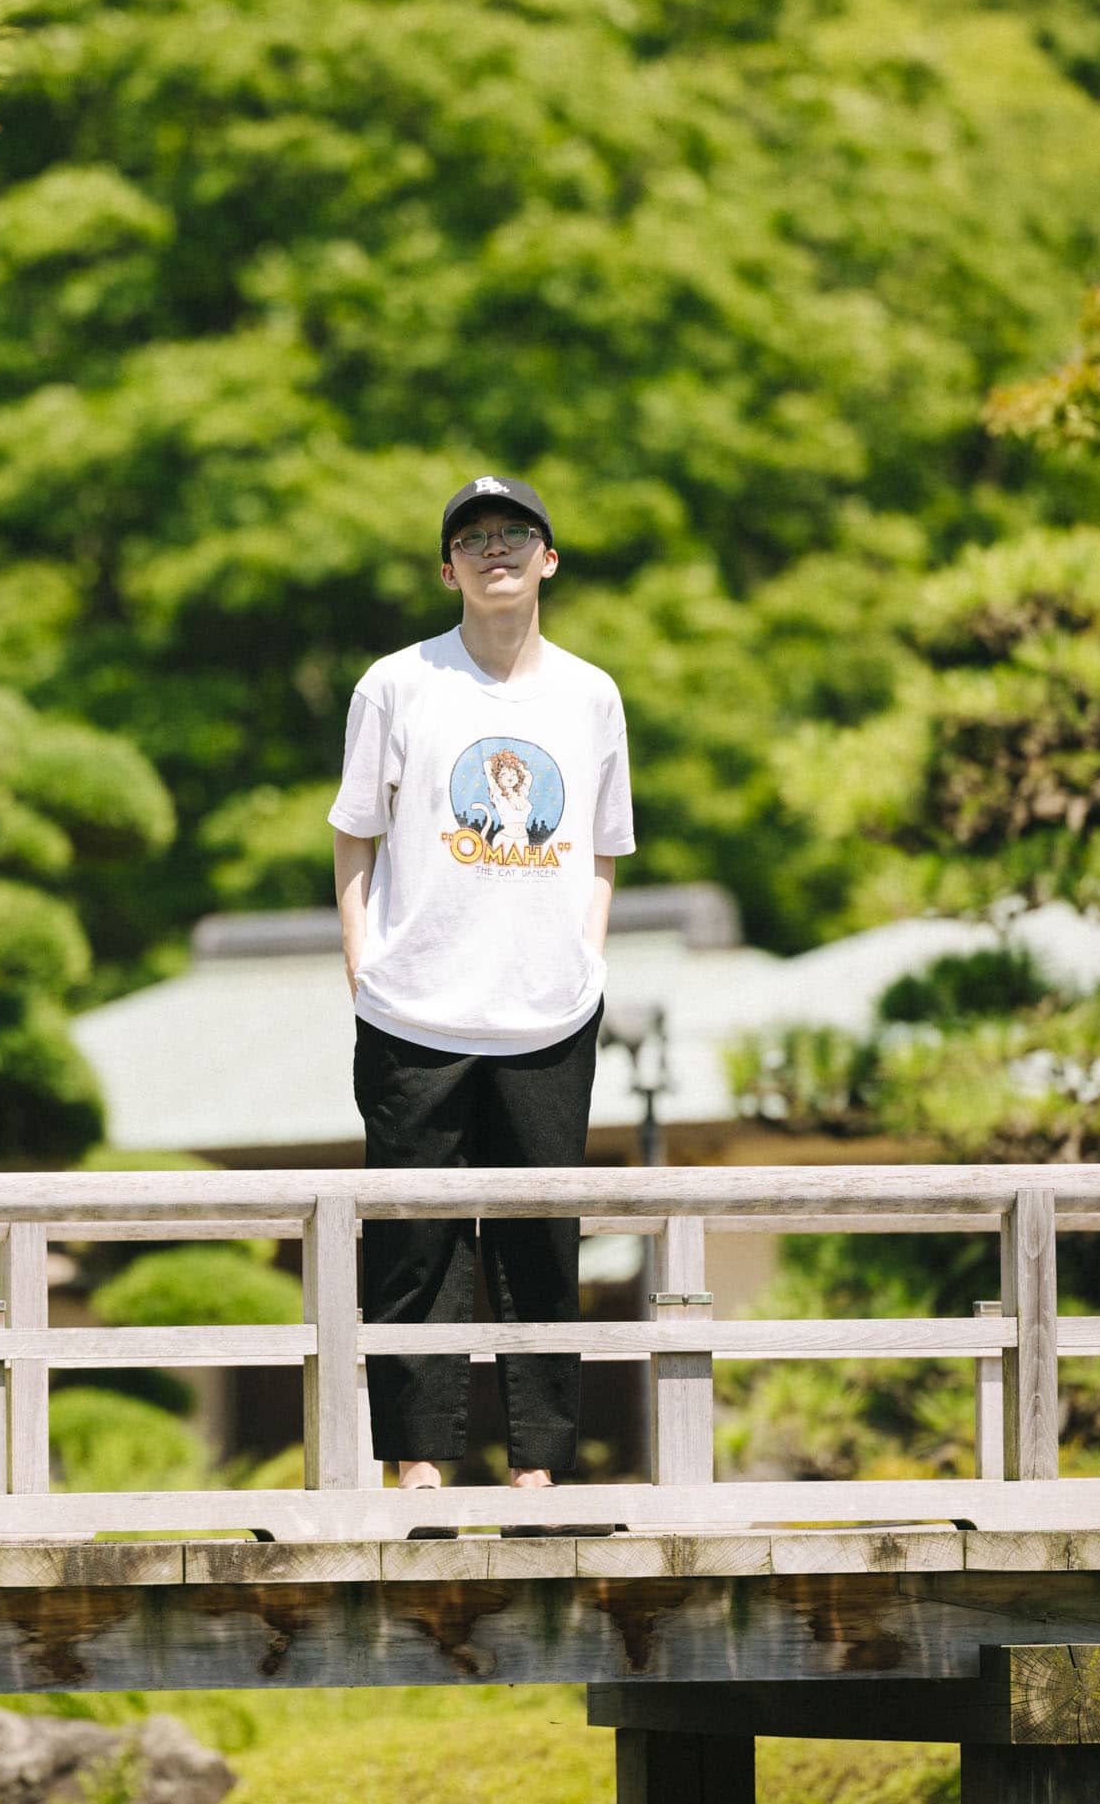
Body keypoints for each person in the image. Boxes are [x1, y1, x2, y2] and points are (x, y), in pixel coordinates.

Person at [327, 474, 635, 1507]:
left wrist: (585, 961)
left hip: (548, 1013)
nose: (494, 549)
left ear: (551, 558)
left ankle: (540, 1464)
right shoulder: (399, 683)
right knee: (414, 1243)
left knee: (544, 1242)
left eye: (516, 533)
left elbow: (600, 845)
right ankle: (417, 1460)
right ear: (446, 567)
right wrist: (364, 965)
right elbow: (354, 833)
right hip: (415, 1010)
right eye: (473, 538)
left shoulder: (589, 694)